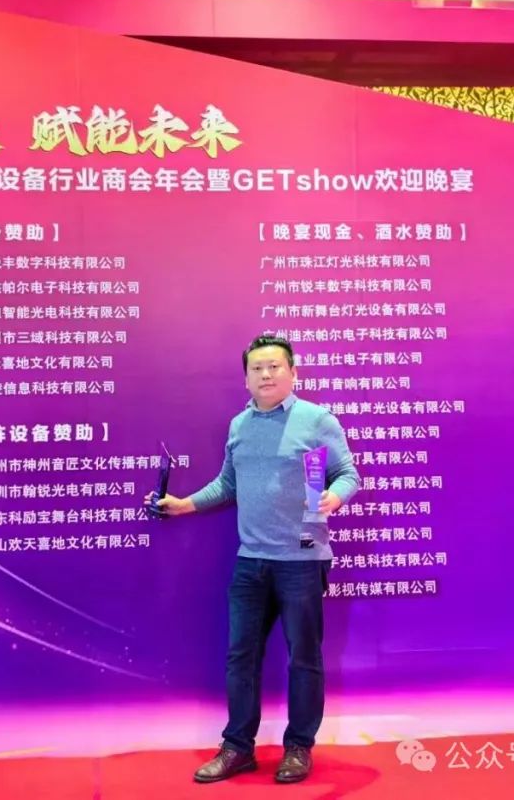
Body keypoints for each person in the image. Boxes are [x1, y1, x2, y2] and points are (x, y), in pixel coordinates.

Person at [148, 334, 360, 784]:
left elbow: (348, 473)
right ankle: (238, 747)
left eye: (274, 366)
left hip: (302, 559)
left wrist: (335, 497)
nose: (266, 375)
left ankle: (299, 747)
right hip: (251, 561)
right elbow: (228, 485)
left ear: (293, 372)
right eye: (257, 368)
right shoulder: (239, 426)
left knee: (304, 657)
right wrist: (183, 505)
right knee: (241, 656)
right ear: (246, 378)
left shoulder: (317, 420)